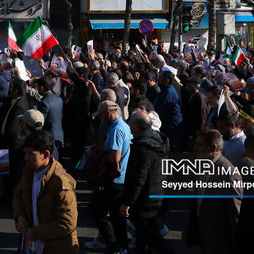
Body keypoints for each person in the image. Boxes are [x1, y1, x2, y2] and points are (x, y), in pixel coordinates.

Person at [13, 129, 79, 254]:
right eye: (25, 153)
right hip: (34, 247)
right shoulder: (29, 172)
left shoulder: (61, 183)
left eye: (30, 153)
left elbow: (67, 223)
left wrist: (35, 232)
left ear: (46, 154)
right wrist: (20, 216)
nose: (25, 158)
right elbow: (18, 194)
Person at [118, 110, 174, 254]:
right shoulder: (158, 141)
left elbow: (138, 178)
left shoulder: (142, 148)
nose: (129, 127)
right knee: (147, 237)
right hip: (156, 194)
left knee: (150, 237)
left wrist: (127, 202)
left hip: (144, 201)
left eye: (130, 123)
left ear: (136, 127)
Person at [185, 128, 242, 254]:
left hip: (221, 242)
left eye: (199, 145)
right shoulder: (203, 165)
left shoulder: (229, 173)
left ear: (213, 148)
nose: (195, 148)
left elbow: (235, 213)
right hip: (206, 236)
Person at [88, 100, 131, 254]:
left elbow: (114, 157)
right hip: (120, 179)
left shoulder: (116, 129)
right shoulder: (124, 126)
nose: (100, 119)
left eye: (101, 115)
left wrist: (97, 155)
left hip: (114, 180)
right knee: (116, 217)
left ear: (107, 113)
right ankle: (121, 247)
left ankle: (115, 247)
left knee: (96, 211)